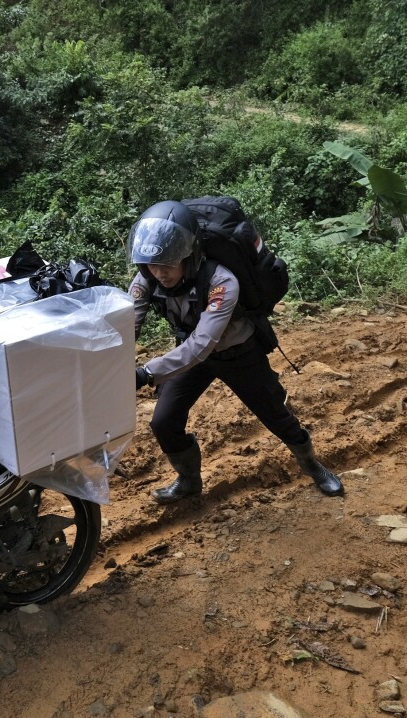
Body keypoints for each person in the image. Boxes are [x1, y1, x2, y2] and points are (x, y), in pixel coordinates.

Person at [127, 200, 343, 502]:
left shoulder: (222, 281)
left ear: (188, 253)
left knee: (277, 416)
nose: (160, 272)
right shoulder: (147, 277)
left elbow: (202, 344)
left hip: (238, 354)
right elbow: (128, 324)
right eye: (153, 264)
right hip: (192, 358)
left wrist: (146, 373)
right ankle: (189, 480)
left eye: (168, 263)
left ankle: (313, 465)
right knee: (163, 420)